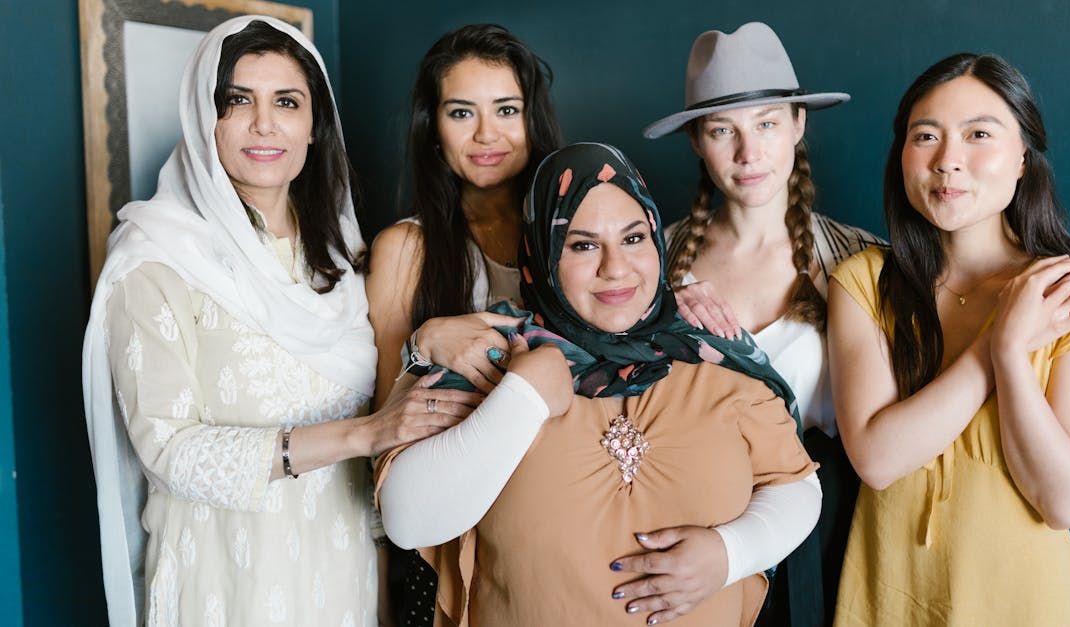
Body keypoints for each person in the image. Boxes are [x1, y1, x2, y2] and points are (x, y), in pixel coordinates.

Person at [643, 22, 1070, 625]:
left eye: (768, 123)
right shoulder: (652, 263)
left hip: (872, 551)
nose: (749, 151)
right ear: (697, 141)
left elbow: (1066, 497)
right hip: (710, 538)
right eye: (722, 128)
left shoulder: (863, 260)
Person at [82, 16, 457, 626]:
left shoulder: (338, 262)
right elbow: (169, 451)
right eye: (237, 101)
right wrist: (362, 434)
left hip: (343, 577)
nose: (264, 123)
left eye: (287, 102)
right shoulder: (155, 259)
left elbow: (367, 472)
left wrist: (383, 596)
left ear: (314, 127)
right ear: (205, 121)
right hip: (226, 584)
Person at [375, 142, 823, 626]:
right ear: (542, 256)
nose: (615, 267)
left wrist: (730, 553)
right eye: (583, 245)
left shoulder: (713, 350)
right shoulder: (486, 355)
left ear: (656, 239)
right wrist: (522, 397)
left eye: (633, 239)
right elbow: (408, 520)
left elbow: (796, 486)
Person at [828, 53, 1070, 625]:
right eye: (926, 137)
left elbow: (1063, 502)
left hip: (1030, 605)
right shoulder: (863, 282)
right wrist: (997, 342)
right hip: (891, 601)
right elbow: (878, 458)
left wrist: (1016, 356)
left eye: (978, 134)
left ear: (1021, 158)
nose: (947, 162)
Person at [363, 23, 563, 624]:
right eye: (460, 113)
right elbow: (383, 433)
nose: (486, 135)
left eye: (506, 109)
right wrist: (422, 346)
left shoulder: (578, 238)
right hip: (453, 535)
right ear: (433, 131)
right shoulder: (405, 249)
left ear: (534, 120)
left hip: (565, 520)